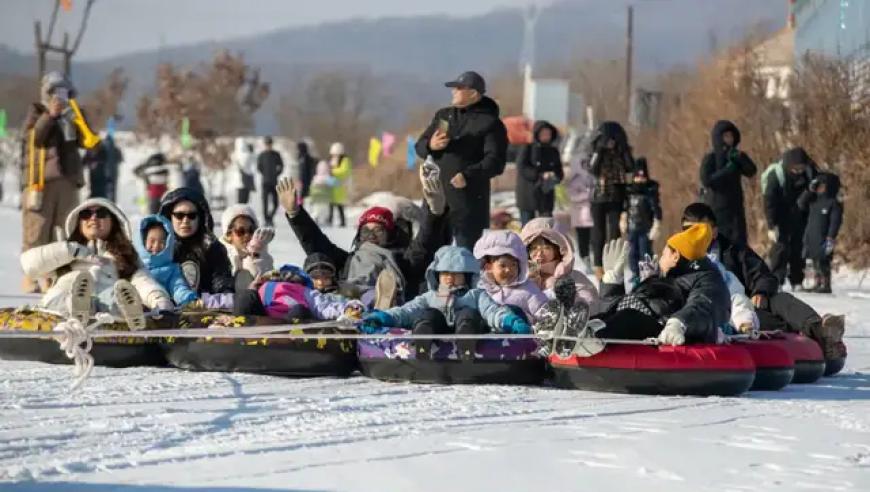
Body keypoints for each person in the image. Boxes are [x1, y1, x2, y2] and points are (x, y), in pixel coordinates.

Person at [680, 202, 846, 360]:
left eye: (702, 229)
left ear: (714, 231)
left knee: (781, 300)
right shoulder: (677, 257)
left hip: (747, 302)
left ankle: (821, 329)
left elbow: (764, 275)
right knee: (760, 320)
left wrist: (761, 291)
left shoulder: (735, 251)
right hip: (723, 313)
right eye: (689, 229)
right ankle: (809, 339)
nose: (696, 235)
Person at [278, 176, 450, 304]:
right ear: (359, 234)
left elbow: (426, 242)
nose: (371, 235)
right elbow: (316, 242)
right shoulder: (348, 260)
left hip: (389, 308)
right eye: (366, 230)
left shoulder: (402, 259)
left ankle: (383, 300)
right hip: (346, 303)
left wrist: (435, 212)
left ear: (390, 235)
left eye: (378, 230)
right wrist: (295, 214)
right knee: (317, 265)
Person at [20, 198, 173, 329]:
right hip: (66, 295)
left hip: (106, 301)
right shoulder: (65, 254)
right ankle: (79, 306)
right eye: (86, 214)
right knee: (62, 295)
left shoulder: (124, 255)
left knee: (115, 295)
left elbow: (142, 280)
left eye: (101, 214)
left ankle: (127, 311)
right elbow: (29, 264)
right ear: (78, 222)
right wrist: (70, 250)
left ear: (113, 221)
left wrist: (159, 301)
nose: (93, 218)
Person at [360, 245, 532, 359]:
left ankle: (466, 342)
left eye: (456, 274)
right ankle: (422, 342)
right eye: (444, 274)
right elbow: (406, 311)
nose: (450, 278)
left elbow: (492, 311)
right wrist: (381, 318)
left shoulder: (475, 295)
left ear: (466, 276)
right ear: (436, 276)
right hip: (438, 329)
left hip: (468, 327)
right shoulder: (430, 296)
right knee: (427, 314)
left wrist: (510, 321)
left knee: (467, 313)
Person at [589, 225, 730, 345]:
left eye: (664, 254)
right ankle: (581, 333)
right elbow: (619, 307)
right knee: (601, 317)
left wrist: (679, 323)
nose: (660, 259)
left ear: (675, 256)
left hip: (660, 328)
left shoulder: (707, 279)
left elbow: (702, 304)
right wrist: (612, 281)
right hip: (627, 323)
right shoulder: (663, 279)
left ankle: (592, 339)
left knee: (629, 317)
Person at [415, 70, 508, 248]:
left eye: (458, 88)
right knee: (428, 249)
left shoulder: (490, 123)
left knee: (467, 253)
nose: (453, 92)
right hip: (436, 195)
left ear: (473, 93)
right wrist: (430, 145)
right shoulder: (444, 116)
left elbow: (495, 162)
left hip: (469, 201)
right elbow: (419, 147)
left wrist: (468, 175)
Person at [20, 72, 88, 293]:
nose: (60, 97)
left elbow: (88, 141)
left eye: (64, 92)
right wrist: (50, 115)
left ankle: (60, 278)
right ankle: (32, 277)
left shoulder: (73, 114)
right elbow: (35, 137)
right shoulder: (36, 112)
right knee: (38, 230)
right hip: (41, 181)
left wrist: (77, 119)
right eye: (55, 92)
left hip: (68, 181)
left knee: (68, 229)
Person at [158, 187, 234, 295]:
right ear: (170, 217)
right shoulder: (158, 247)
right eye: (179, 215)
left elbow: (221, 279)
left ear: (201, 218)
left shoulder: (212, 248)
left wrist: (224, 293)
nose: (185, 221)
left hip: (206, 307)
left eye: (191, 215)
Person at [764, 147, 817, 289]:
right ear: (789, 166)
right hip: (780, 214)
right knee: (781, 247)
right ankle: (776, 279)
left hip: (800, 214)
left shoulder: (810, 171)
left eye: (801, 168)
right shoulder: (776, 176)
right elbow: (769, 201)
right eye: (796, 169)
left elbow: (817, 186)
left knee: (798, 247)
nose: (799, 172)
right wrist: (771, 225)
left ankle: (797, 280)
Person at [588, 121, 634, 279]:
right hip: (598, 196)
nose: (611, 143)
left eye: (614, 140)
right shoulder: (595, 151)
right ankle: (598, 265)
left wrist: (624, 149)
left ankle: (613, 263)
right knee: (598, 231)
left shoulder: (621, 152)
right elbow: (592, 169)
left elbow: (630, 167)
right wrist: (600, 150)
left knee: (614, 230)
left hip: (616, 195)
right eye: (608, 140)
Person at [699, 120, 757, 245]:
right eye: (725, 136)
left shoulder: (735, 156)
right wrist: (727, 170)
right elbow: (706, 180)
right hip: (717, 209)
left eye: (731, 136)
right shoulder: (711, 158)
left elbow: (751, 171)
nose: (729, 140)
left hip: (736, 208)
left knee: (739, 243)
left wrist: (741, 158)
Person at [472, 229, 549, 322]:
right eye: (503, 265)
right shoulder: (482, 290)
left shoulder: (528, 290)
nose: (509, 270)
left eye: (514, 265)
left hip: (520, 333)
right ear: (489, 267)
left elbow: (543, 310)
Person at [520, 218, 598, 305]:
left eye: (546, 248)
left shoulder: (571, 277)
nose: (539, 254)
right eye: (534, 248)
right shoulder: (521, 279)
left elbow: (589, 302)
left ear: (559, 249)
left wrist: (570, 305)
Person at [133, 214, 198, 307]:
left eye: (162, 242)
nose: (156, 246)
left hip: (162, 306)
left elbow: (178, 287)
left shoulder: (171, 270)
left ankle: (161, 307)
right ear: (143, 241)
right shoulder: (134, 265)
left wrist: (188, 299)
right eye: (152, 241)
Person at [798, 172, 843, 294]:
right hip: (811, 237)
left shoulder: (833, 203)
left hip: (824, 238)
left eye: (821, 185)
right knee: (814, 261)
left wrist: (831, 237)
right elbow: (801, 203)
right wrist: (809, 190)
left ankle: (825, 284)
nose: (819, 188)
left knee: (823, 261)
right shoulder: (814, 201)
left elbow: (835, 221)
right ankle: (817, 282)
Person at [620, 157, 662, 283]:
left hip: (646, 229)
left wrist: (657, 224)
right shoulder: (629, 191)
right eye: (637, 177)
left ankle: (648, 274)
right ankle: (635, 274)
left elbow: (656, 209)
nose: (640, 180)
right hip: (632, 227)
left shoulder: (650, 192)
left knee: (645, 252)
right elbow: (625, 207)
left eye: (642, 177)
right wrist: (623, 218)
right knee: (633, 253)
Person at [515, 120, 564, 224]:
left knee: (546, 226)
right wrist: (539, 175)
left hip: (546, 195)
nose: (546, 136)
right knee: (528, 227)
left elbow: (559, 171)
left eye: (548, 133)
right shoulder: (528, 148)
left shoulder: (553, 151)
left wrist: (554, 176)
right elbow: (522, 167)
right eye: (543, 133)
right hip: (528, 194)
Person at [219, 204, 275, 286]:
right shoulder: (220, 255)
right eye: (241, 231)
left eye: (251, 230)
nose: (247, 235)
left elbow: (265, 281)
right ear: (228, 235)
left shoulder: (261, 252)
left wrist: (256, 253)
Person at [567, 156, 595, 270]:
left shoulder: (592, 177)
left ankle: (592, 260)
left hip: (592, 214)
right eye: (584, 164)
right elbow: (572, 196)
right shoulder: (575, 180)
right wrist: (586, 195)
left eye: (587, 164)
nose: (586, 167)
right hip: (580, 216)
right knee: (583, 238)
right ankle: (585, 259)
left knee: (593, 239)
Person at [83, 134, 123, 201]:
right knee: (108, 189)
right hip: (107, 173)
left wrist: (92, 163)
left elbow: (85, 161)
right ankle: (110, 200)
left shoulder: (100, 149)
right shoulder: (111, 149)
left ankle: (101, 201)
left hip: (100, 173)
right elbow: (119, 159)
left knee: (98, 189)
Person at [257, 136, 284, 227]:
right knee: (265, 202)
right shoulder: (262, 155)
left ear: (272, 144)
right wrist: (264, 174)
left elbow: (281, 165)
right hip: (265, 182)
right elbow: (259, 167)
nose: (268, 145)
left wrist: (277, 173)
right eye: (267, 144)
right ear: (265, 144)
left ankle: (270, 218)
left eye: (270, 144)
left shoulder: (276, 154)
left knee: (275, 203)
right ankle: (266, 220)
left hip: (274, 182)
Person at [326, 142, 351, 228]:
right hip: (331, 185)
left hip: (340, 186)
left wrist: (333, 172)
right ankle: (329, 219)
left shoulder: (345, 160)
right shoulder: (333, 159)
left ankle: (342, 221)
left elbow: (344, 171)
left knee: (339, 205)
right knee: (331, 204)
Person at [230, 139, 257, 205]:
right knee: (244, 202)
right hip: (245, 181)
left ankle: (241, 213)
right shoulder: (247, 155)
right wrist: (251, 152)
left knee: (240, 202)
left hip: (240, 182)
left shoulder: (234, 155)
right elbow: (253, 162)